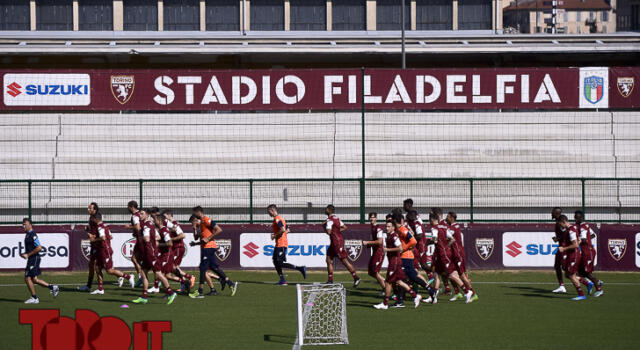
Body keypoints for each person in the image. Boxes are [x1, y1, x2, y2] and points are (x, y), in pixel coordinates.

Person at [189, 206, 238, 298]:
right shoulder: (202, 224)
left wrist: (208, 238)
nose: (194, 215)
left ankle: (200, 291)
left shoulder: (206, 220)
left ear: (198, 212)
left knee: (203, 268)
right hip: (207, 248)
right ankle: (230, 283)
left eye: (194, 213)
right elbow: (198, 238)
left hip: (209, 248)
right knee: (213, 267)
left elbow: (219, 229)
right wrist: (194, 229)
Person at [131, 209, 177, 305]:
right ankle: (144, 296)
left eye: (142, 213)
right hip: (148, 253)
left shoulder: (147, 226)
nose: (140, 215)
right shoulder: (149, 225)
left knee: (159, 274)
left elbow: (147, 238)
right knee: (143, 273)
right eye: (139, 213)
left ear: (147, 215)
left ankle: (171, 292)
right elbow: (157, 237)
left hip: (150, 254)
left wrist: (142, 237)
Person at [373, 221, 422, 310]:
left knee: (388, 282)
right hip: (394, 261)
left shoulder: (395, 237)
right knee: (399, 281)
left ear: (393, 228)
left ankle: (385, 303)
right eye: (386, 226)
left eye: (389, 226)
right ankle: (415, 296)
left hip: (395, 262)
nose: (387, 228)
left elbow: (400, 248)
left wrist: (388, 249)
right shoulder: (389, 236)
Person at [429, 213, 473, 304]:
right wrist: (446, 246)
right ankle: (433, 296)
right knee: (436, 274)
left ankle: (467, 292)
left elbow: (434, 238)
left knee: (451, 275)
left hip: (443, 255)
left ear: (433, 220)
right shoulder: (444, 228)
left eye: (430, 220)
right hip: (444, 254)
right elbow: (452, 239)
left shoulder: (434, 228)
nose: (429, 222)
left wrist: (432, 242)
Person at [392, 213, 434, 305]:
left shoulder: (402, 229)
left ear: (395, 221)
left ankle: (401, 300)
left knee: (403, 278)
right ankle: (430, 290)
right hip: (404, 257)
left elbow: (413, 241)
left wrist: (404, 248)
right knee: (411, 277)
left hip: (406, 257)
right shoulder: (399, 229)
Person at [89, 213, 135, 294]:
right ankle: (100, 289)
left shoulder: (100, 227)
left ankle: (128, 277)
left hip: (105, 251)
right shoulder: (104, 226)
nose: (92, 220)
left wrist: (94, 240)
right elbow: (110, 236)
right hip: (102, 250)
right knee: (97, 268)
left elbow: (103, 238)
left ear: (96, 219)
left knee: (109, 270)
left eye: (93, 219)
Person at [21, 218, 59, 304]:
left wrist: (28, 255)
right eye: (23, 224)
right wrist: (24, 254)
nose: (23, 226)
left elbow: (39, 248)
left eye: (25, 224)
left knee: (27, 278)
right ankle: (52, 287)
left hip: (34, 259)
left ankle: (34, 298)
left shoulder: (33, 234)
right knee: (34, 279)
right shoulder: (27, 234)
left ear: (30, 224)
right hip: (31, 259)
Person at [267, 205, 306, 285]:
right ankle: (282, 280)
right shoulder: (281, 219)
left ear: (272, 210)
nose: (268, 214)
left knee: (279, 262)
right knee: (275, 261)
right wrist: (281, 233)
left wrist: (274, 235)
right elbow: (288, 230)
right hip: (279, 244)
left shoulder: (277, 219)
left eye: (269, 212)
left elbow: (283, 230)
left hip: (282, 244)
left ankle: (300, 268)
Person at [323, 205, 360, 286]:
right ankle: (330, 280)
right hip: (335, 242)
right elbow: (344, 227)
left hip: (337, 243)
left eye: (326, 209)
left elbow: (329, 232)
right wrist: (336, 232)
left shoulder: (329, 220)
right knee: (328, 259)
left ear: (329, 210)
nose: (325, 210)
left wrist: (324, 227)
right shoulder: (337, 218)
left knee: (344, 261)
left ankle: (356, 277)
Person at [446, 211, 477, 302]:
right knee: (450, 274)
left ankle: (473, 294)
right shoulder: (454, 227)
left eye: (447, 216)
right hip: (453, 255)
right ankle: (457, 293)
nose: (446, 218)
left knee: (462, 276)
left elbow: (446, 236)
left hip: (458, 254)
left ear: (452, 218)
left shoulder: (453, 228)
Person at [162, 210, 196, 293]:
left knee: (174, 267)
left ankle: (189, 278)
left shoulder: (174, 224)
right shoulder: (170, 225)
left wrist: (170, 239)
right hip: (175, 248)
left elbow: (182, 235)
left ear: (170, 215)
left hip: (178, 247)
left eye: (165, 216)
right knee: (173, 267)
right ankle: (184, 283)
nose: (163, 218)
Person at [573, 211, 603, 297]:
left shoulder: (582, 227)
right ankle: (596, 282)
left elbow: (583, 239)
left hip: (588, 252)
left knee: (587, 272)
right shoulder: (584, 226)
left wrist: (577, 241)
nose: (576, 219)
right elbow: (592, 235)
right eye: (575, 217)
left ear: (581, 217)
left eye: (578, 217)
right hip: (586, 251)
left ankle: (599, 289)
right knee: (580, 271)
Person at [556, 215, 586, 301]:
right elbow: (578, 241)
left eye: (560, 224)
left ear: (563, 222)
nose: (560, 226)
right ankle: (587, 284)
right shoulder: (572, 228)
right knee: (567, 274)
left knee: (571, 275)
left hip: (574, 255)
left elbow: (575, 244)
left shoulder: (571, 230)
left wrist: (564, 248)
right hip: (572, 254)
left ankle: (581, 294)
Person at [77, 202, 103, 292]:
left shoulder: (96, 218)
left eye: (90, 208)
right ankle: (89, 286)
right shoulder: (91, 218)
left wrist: (92, 236)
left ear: (94, 210)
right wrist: (88, 230)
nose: (88, 209)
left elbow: (100, 232)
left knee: (102, 268)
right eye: (88, 208)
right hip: (94, 245)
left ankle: (125, 276)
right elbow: (93, 231)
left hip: (98, 245)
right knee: (92, 265)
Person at [362, 212, 386, 292]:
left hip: (379, 252)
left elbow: (379, 241)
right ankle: (386, 282)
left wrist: (368, 243)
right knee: (371, 272)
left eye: (373, 217)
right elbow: (375, 241)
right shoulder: (372, 228)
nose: (372, 219)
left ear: (376, 218)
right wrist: (370, 244)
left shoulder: (378, 228)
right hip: (375, 252)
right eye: (370, 217)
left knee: (375, 272)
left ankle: (385, 289)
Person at [125, 200, 144, 288]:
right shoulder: (140, 214)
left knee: (145, 260)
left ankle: (145, 278)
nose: (127, 208)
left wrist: (129, 227)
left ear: (132, 207)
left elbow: (137, 227)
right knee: (134, 258)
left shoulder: (135, 216)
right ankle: (141, 277)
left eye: (128, 207)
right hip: (141, 238)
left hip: (141, 239)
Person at [550, 207, 568, 293]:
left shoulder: (559, 223)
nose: (551, 213)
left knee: (567, 269)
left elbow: (565, 232)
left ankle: (587, 282)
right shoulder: (557, 222)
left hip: (564, 247)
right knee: (557, 266)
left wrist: (558, 238)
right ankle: (561, 286)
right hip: (561, 247)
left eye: (553, 212)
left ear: (557, 213)